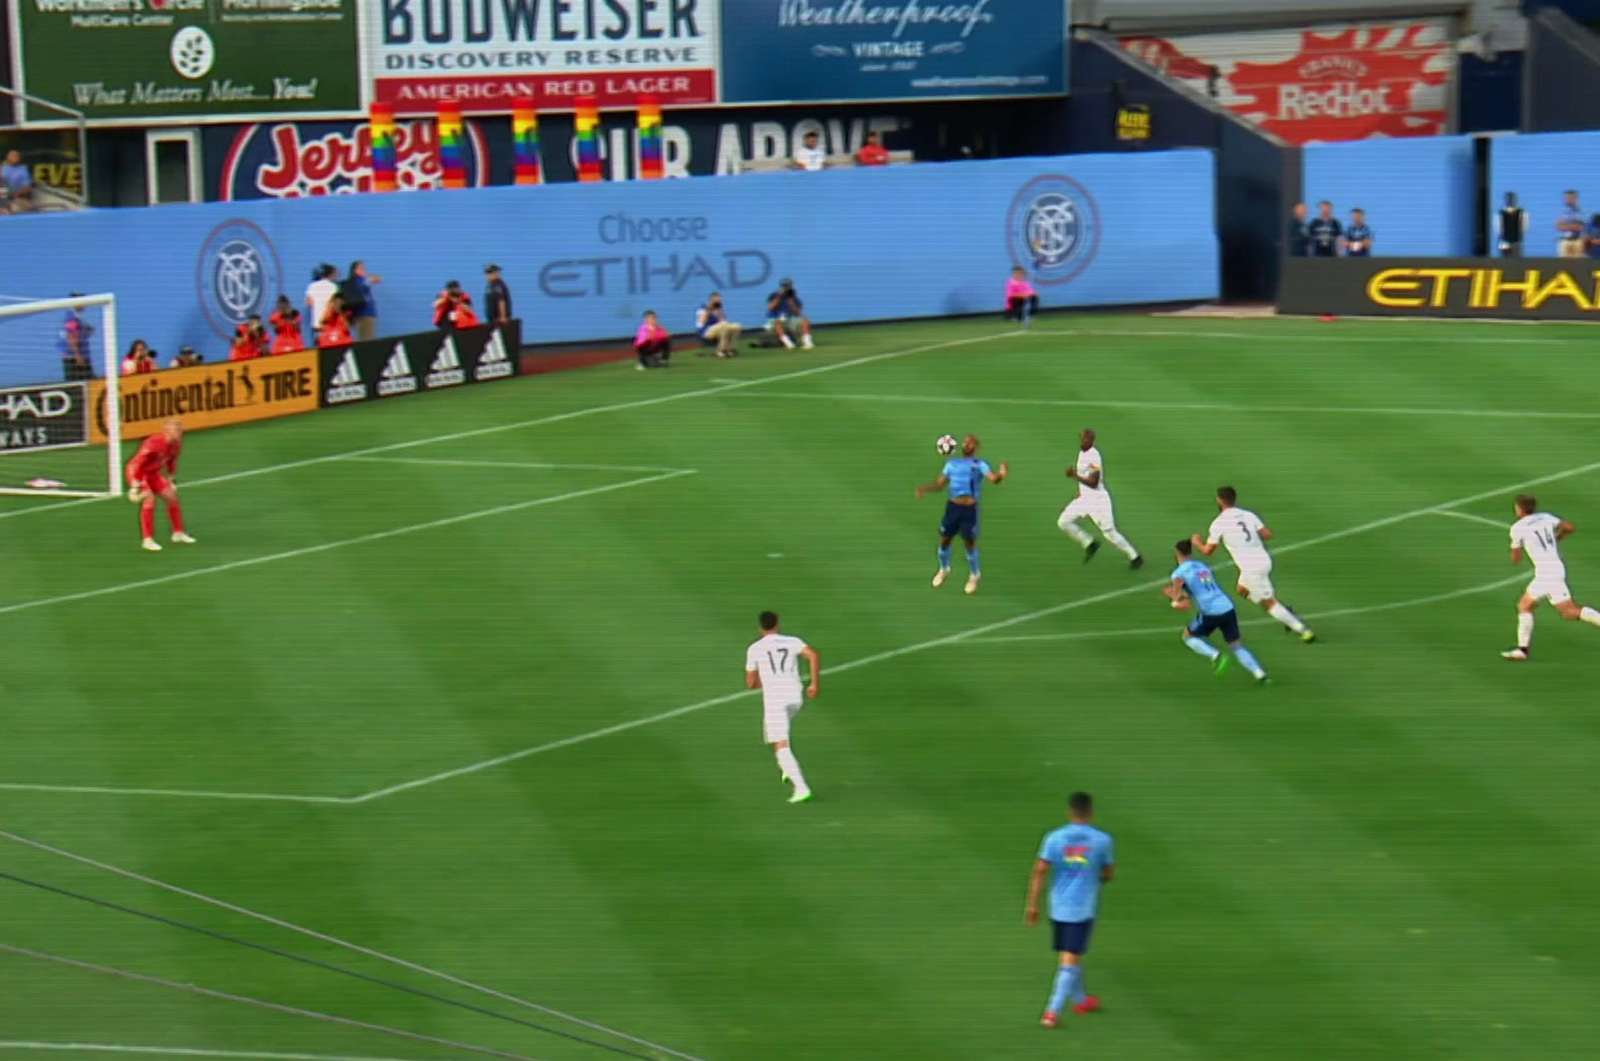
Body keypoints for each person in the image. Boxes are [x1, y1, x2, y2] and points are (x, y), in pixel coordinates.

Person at [1025, 791, 1114, 1028]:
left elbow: (1040, 871)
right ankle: (1051, 1012)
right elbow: (1108, 873)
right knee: (1070, 960)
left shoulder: (1054, 838)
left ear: (1069, 812)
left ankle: (1081, 1000)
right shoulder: (1102, 840)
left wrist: (1032, 905)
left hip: (1058, 908)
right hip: (1082, 909)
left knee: (1070, 953)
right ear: (1091, 812)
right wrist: (1095, 877)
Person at [1192, 486, 1315, 642]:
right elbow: (1267, 534)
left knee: (1268, 603)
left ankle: (1302, 629)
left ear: (1219, 500)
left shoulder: (1219, 523)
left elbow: (1207, 551)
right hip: (1263, 559)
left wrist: (1197, 542)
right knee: (1242, 589)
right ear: (1234, 499)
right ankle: (1285, 612)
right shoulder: (1248, 515)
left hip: (1251, 567)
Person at [1501, 495, 1600, 661]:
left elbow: (1515, 560)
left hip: (1548, 574)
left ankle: (1523, 650)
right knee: (1524, 605)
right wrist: (1556, 539)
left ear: (1520, 509)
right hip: (1551, 569)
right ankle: (1522, 650)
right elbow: (1570, 527)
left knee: (1569, 612)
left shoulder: (1517, 528)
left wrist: (1517, 546)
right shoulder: (1546, 517)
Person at [916, 434, 1008, 595]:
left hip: (969, 510)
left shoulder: (980, 465)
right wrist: (925, 488)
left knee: (969, 543)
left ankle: (974, 575)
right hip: (953, 507)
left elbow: (993, 479)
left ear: (976, 447)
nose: (967, 444)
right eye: (965, 442)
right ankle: (944, 569)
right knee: (945, 539)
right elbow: (940, 485)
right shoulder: (952, 464)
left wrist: (1001, 473)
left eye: (971, 443)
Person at [744, 610, 820, 805]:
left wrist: (763, 682)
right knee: (777, 735)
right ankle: (787, 767)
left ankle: (801, 788)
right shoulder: (792, 641)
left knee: (780, 745)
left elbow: (751, 682)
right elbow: (812, 655)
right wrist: (814, 684)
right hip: (795, 696)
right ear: (777, 624)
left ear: (761, 628)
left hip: (775, 699)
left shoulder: (755, 648)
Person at [1167, 540, 1269, 682]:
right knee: (1235, 645)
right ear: (1190, 552)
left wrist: (1173, 596)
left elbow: (1179, 597)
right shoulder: (1202, 566)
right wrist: (1181, 595)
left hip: (1211, 612)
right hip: (1227, 606)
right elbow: (1198, 589)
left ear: (1176, 553)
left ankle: (1215, 655)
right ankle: (1259, 673)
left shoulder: (1178, 574)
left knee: (1188, 636)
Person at [1057, 428, 1142, 569]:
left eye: (1087, 439)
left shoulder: (1094, 456)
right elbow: (1083, 480)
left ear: (1093, 441)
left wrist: (1074, 475)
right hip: (1085, 499)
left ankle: (1135, 556)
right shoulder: (1081, 454)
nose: (1083, 441)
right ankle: (1090, 543)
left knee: (1109, 533)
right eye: (1082, 438)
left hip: (1098, 501)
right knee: (1063, 521)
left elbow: (1094, 482)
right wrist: (1074, 497)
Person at [126, 419, 195, 552]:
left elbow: (172, 461)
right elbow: (139, 464)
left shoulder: (176, 445)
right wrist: (135, 487)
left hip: (153, 473)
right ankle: (147, 539)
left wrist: (171, 479)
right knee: (150, 500)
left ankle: (178, 533)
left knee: (172, 496)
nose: (179, 433)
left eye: (180, 430)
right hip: (138, 472)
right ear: (167, 431)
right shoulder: (154, 443)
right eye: (176, 430)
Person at [340, 260, 382, 341]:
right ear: (355, 270)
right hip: (367, 313)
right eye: (362, 268)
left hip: (359, 313)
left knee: (362, 336)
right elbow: (378, 279)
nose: (364, 270)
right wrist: (366, 275)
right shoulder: (362, 280)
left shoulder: (354, 282)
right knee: (367, 338)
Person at [766, 279, 814, 350]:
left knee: (805, 320)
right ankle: (788, 343)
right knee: (778, 322)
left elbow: (798, 312)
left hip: (789, 319)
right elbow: (770, 307)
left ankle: (807, 342)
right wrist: (779, 296)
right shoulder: (774, 295)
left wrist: (791, 302)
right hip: (775, 320)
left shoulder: (793, 297)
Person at [695, 292, 741, 357]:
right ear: (712, 299)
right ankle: (721, 351)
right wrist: (709, 311)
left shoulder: (719, 308)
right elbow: (702, 322)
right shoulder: (704, 308)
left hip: (719, 328)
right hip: (706, 331)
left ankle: (730, 349)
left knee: (736, 326)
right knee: (723, 325)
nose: (719, 300)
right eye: (717, 299)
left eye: (719, 299)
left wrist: (721, 315)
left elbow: (723, 320)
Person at [59, 298, 95, 381]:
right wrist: (78, 355)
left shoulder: (78, 317)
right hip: (74, 359)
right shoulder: (72, 317)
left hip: (78, 356)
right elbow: (71, 336)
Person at [1496, 191, 1526, 258]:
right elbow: (1498, 228)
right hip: (1505, 241)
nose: (1510, 201)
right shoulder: (1501, 213)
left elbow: (1524, 227)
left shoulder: (1521, 213)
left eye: (1512, 199)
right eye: (1508, 199)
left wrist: (1519, 236)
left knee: (1517, 261)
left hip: (1517, 242)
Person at [1557, 190, 1585, 257]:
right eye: (1568, 198)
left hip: (1577, 241)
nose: (1569, 199)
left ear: (1576, 198)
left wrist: (1566, 226)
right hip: (1564, 241)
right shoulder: (1561, 212)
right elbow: (1559, 226)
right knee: (1563, 264)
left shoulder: (1580, 212)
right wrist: (1574, 226)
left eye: (1572, 198)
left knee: (1578, 263)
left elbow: (1580, 227)